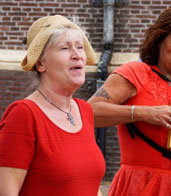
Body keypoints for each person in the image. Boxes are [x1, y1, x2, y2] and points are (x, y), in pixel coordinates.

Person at [89, 4, 171, 196]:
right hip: (144, 185)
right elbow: (89, 112)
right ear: (159, 40)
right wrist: (144, 113)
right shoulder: (137, 73)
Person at [0, 15, 105, 196]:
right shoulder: (23, 114)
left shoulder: (84, 110)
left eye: (79, 47)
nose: (77, 55)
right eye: (64, 48)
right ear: (40, 64)